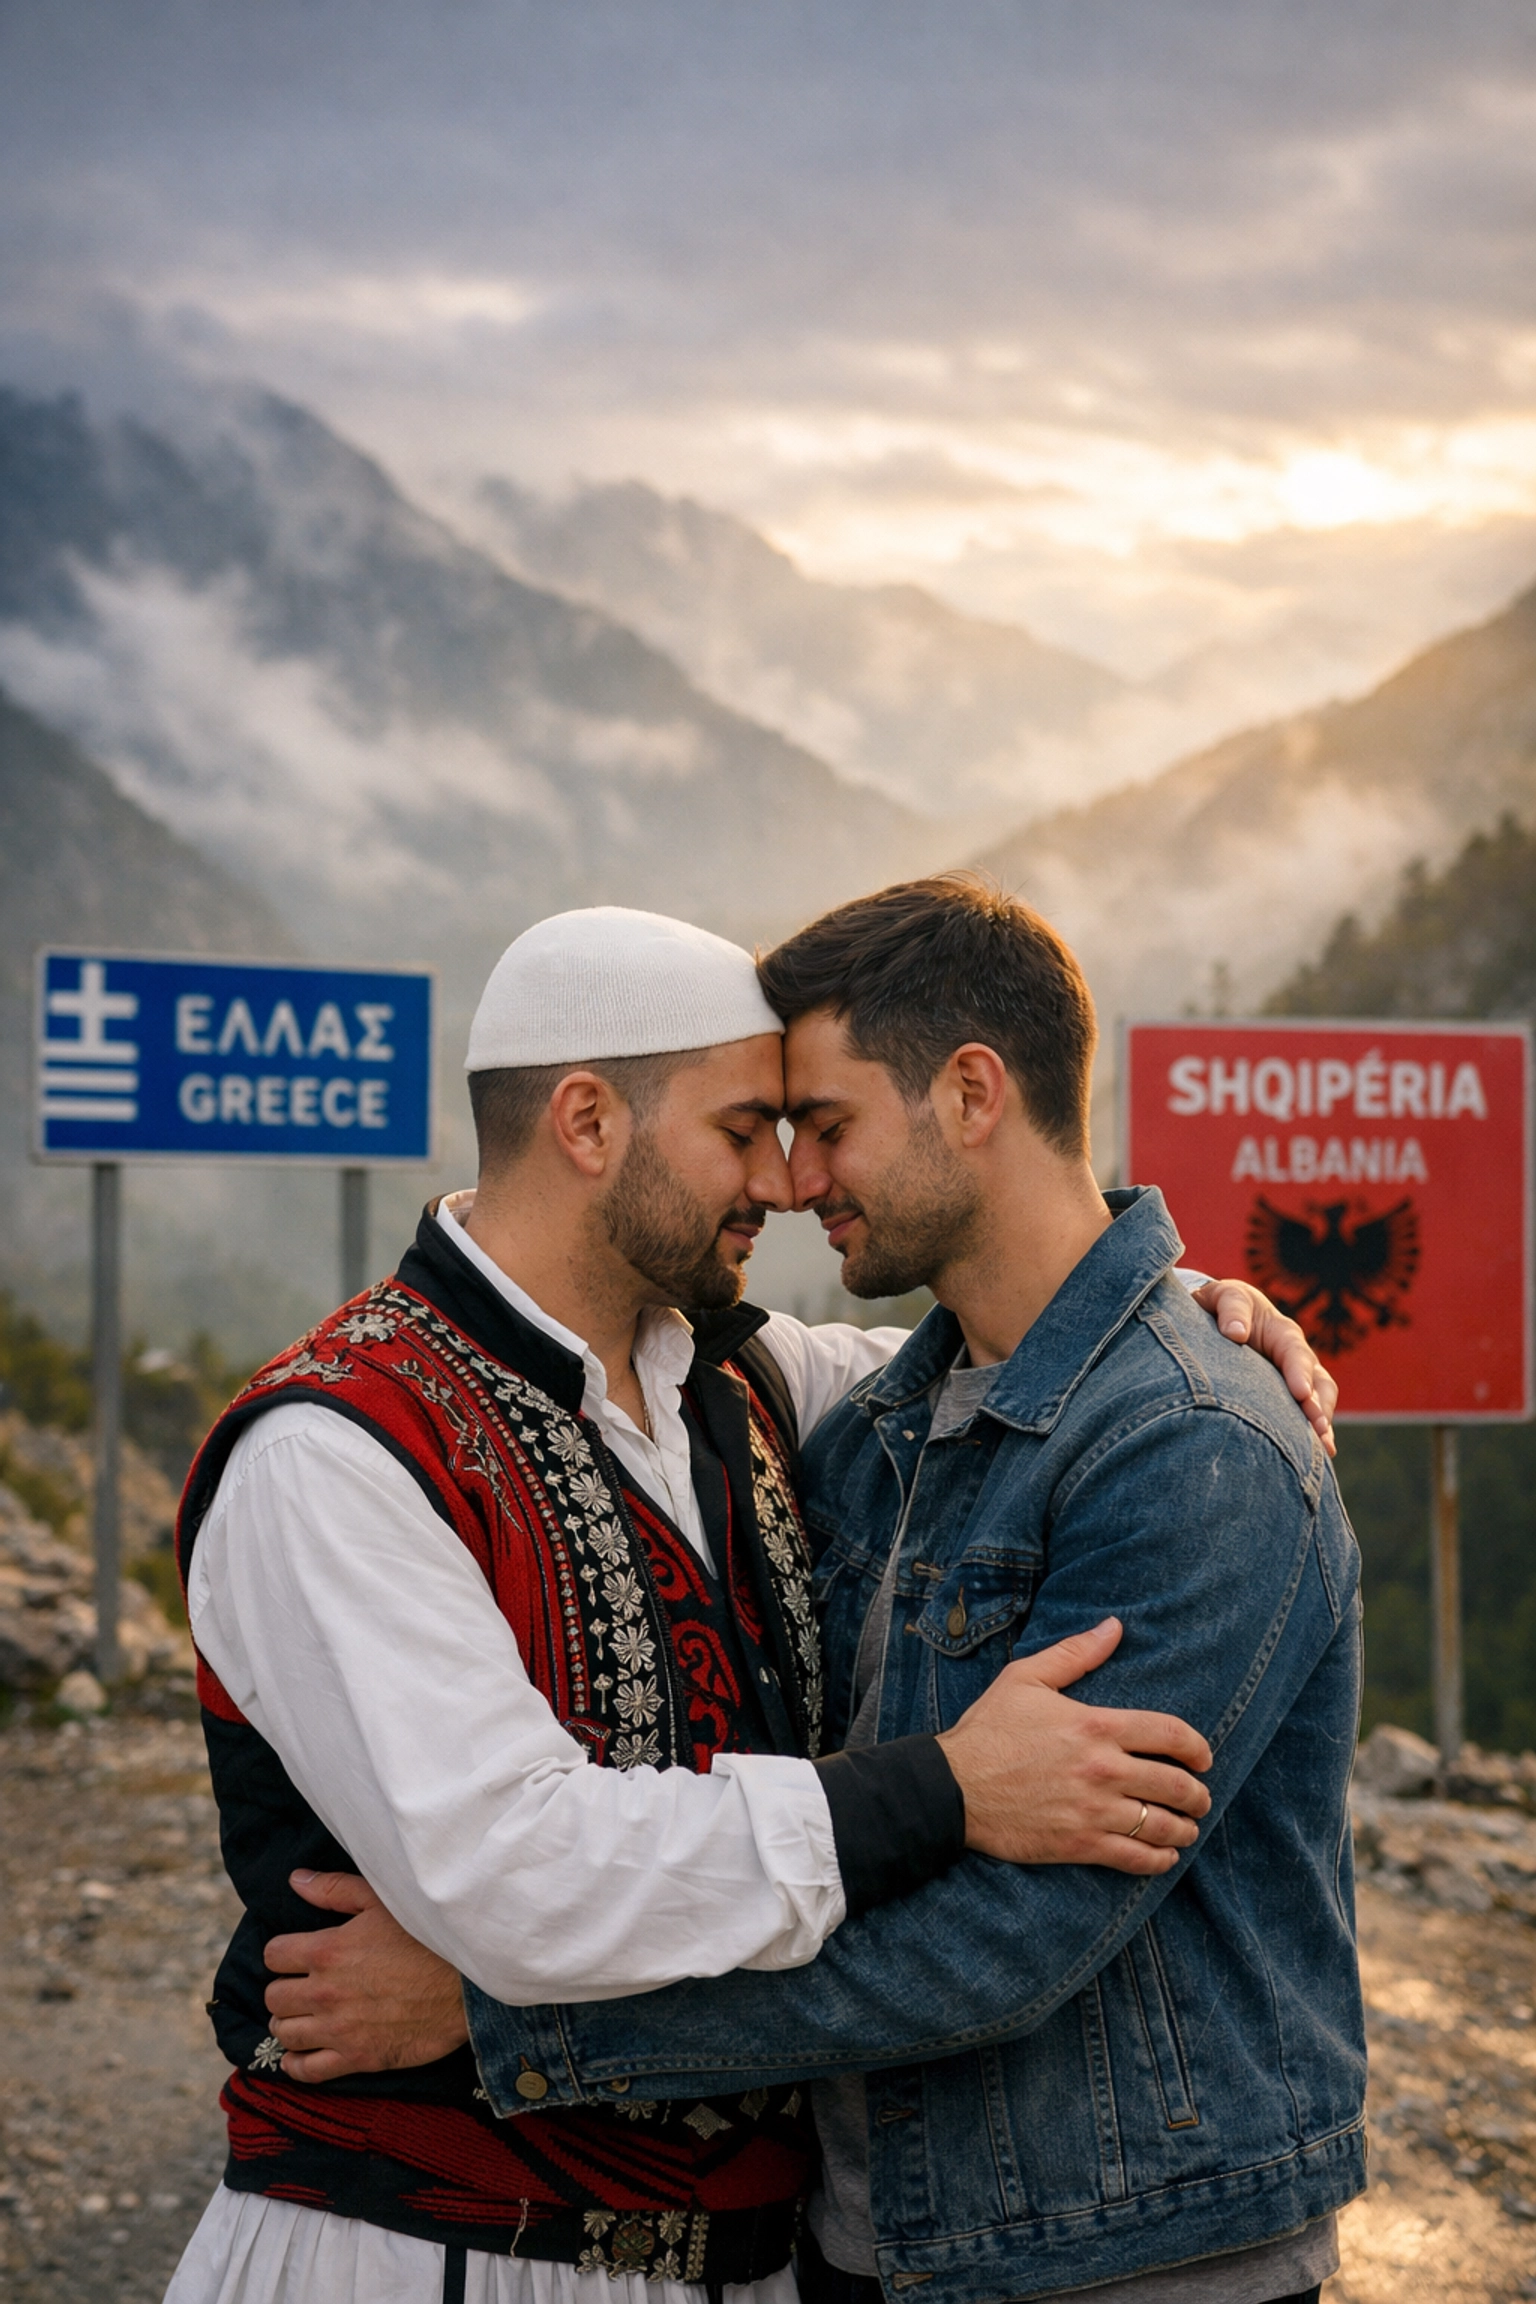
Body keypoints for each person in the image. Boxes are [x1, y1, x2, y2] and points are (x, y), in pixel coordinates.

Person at [270, 882, 1363, 2304]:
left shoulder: (1193, 1444)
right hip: (871, 2240)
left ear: (971, 1093)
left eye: (823, 1124)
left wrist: (507, 2023)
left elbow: (1006, 1946)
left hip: (1126, 2257)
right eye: (759, 1132)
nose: (795, 1181)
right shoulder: (870, 1423)